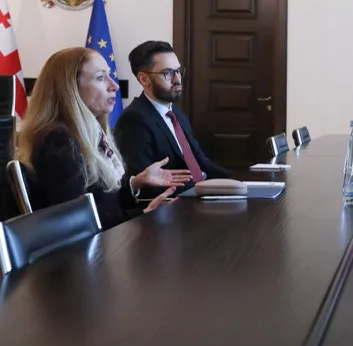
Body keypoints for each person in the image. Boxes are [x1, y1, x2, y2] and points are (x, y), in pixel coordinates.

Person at [14, 48, 190, 230]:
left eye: (109, 75)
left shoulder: (91, 133)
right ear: (70, 89)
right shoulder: (58, 140)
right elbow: (80, 222)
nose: (114, 86)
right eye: (100, 78)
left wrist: (134, 184)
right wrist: (143, 214)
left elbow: (102, 201)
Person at [115, 41, 232, 200]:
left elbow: (201, 162)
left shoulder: (176, 114)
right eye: (168, 73)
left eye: (178, 71)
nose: (178, 79)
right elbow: (144, 184)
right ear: (144, 79)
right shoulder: (134, 120)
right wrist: (201, 190)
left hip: (198, 195)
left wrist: (241, 181)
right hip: (172, 204)